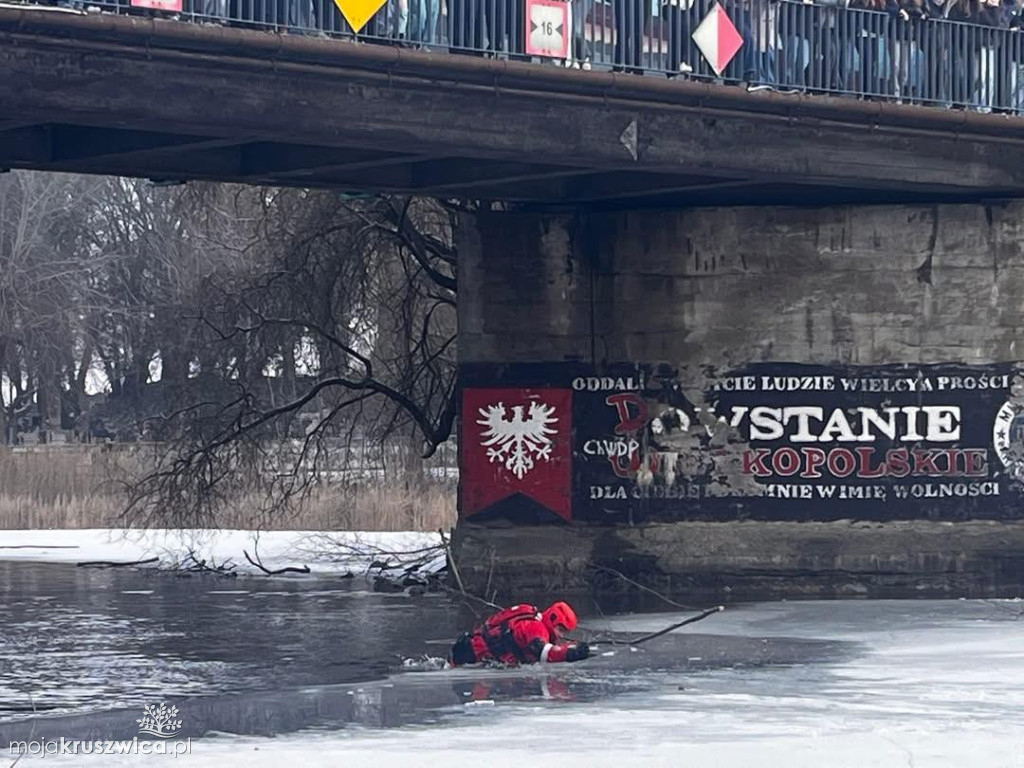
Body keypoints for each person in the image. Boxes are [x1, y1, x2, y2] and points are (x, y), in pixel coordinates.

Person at [449, 601, 592, 666]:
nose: (561, 635)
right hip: (472, 656)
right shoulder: (536, 628)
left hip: (468, 648)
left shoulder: (532, 618)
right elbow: (543, 652)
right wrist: (570, 653)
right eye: (560, 630)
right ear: (552, 619)